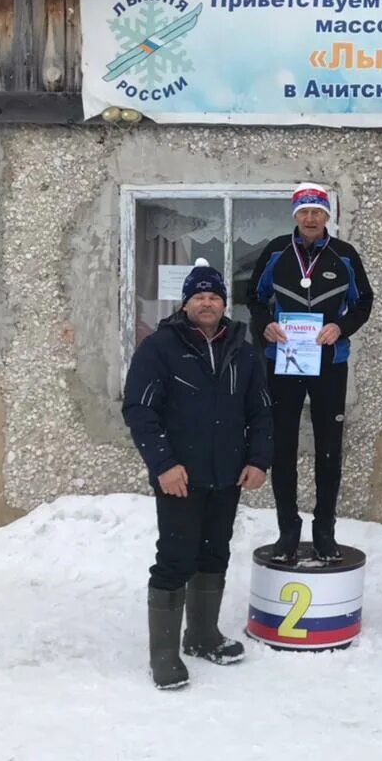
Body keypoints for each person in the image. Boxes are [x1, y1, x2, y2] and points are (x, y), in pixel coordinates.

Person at [123, 259, 274, 690]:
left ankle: (203, 635)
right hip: (179, 476)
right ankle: (164, 654)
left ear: (223, 303)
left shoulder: (243, 349)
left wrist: (259, 460)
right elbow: (140, 410)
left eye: (214, 296)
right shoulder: (159, 348)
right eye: (199, 296)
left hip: (227, 473)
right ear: (185, 302)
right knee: (175, 558)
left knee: (214, 553)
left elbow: (261, 410)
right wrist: (164, 465)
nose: (207, 303)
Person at [246, 183, 374, 562]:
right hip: (283, 360)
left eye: (317, 211)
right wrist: (265, 323)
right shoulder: (275, 252)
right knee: (282, 445)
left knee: (328, 449)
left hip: (328, 362)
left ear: (327, 215)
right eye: (303, 211)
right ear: (295, 216)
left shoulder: (344, 255)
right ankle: (288, 530)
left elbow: (364, 302)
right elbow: (253, 296)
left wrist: (342, 328)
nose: (310, 218)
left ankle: (325, 531)